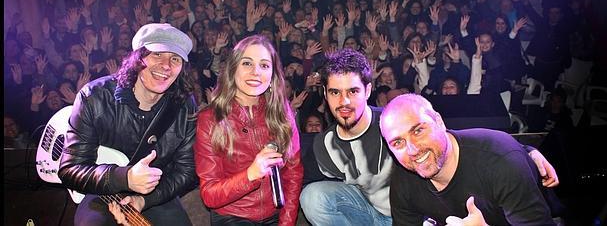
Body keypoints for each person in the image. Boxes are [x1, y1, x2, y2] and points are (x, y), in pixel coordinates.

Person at [300, 49, 558, 225]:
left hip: (426, 214)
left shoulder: (394, 120)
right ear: (325, 93)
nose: (344, 101)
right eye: (335, 92)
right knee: (312, 197)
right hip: (381, 213)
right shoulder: (324, 145)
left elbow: (460, 140)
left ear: (367, 90)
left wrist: (524, 152)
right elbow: (298, 175)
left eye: (353, 91)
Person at [58, 23, 198, 225]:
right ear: (138, 58)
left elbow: (185, 171)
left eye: (175, 59)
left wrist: (143, 200)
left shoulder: (184, 105)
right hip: (101, 190)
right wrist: (125, 177)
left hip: (154, 193)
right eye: (157, 54)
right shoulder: (95, 97)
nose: (166, 65)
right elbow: (70, 169)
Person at [380, 94, 556, 225]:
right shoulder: (403, 180)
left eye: (418, 131)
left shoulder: (500, 162)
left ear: (439, 122)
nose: (413, 150)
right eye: (398, 142)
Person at [194, 34, 303, 225]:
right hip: (232, 216)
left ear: (272, 76)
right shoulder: (210, 118)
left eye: (264, 65)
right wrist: (251, 174)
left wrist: (286, 222)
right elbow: (209, 195)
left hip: (274, 215)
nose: (256, 72)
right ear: (233, 69)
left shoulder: (283, 113)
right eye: (247, 63)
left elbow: (293, 174)